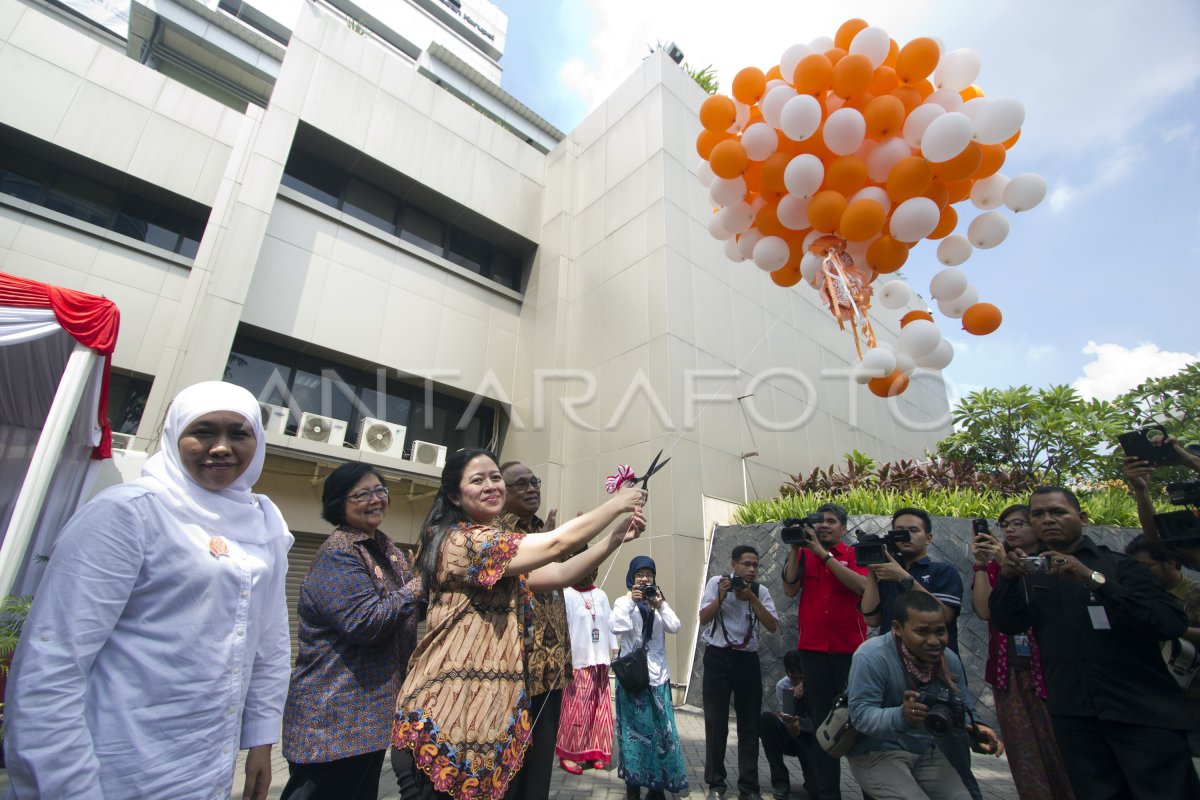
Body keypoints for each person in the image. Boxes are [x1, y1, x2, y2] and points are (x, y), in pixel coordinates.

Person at [3, 381, 293, 800]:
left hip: (204, 767)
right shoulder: (127, 512)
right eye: (204, 431)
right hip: (111, 768)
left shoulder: (264, 524)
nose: (221, 447)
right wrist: (66, 785)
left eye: (239, 433)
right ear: (175, 436)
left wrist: (262, 739)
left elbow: (270, 644)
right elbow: (51, 663)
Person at [390, 448, 646, 800]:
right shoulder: (461, 541)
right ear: (453, 494)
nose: (491, 485)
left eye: (495, 477)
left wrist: (614, 539)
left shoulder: (491, 548)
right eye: (477, 480)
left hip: (478, 719)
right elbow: (557, 544)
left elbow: (556, 573)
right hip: (443, 720)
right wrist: (618, 503)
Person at [989, 486, 1200, 800]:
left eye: (1057, 512)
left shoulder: (1120, 566)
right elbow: (1007, 623)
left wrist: (1092, 579)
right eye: (1038, 514)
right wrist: (1007, 577)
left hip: (1141, 713)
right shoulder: (1030, 575)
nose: (1047, 520)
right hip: (1075, 715)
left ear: (1081, 517)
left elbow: (1169, 622)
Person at [497, 459, 642, 799]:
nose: (532, 488)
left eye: (535, 480)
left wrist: (615, 539)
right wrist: (615, 508)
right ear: (500, 492)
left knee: (537, 779)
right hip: (512, 674)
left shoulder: (541, 531)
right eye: (521, 484)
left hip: (551, 671)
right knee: (509, 777)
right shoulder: (499, 534)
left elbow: (573, 574)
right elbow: (557, 558)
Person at [279, 462, 421, 800]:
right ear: (337, 503)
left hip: (368, 716)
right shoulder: (339, 553)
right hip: (334, 718)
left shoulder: (386, 550)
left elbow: (407, 611)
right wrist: (419, 585)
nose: (375, 500)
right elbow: (366, 623)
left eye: (380, 491)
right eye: (361, 494)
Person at [858, 507, 979, 800]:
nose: (905, 536)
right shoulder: (886, 575)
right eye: (898, 531)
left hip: (936, 676)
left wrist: (903, 577)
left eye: (912, 530)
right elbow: (871, 618)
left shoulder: (941, 572)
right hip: (893, 676)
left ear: (929, 536)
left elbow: (945, 614)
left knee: (953, 761)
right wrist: (875, 570)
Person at [846, 592, 1002, 800]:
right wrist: (901, 716)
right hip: (874, 750)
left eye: (940, 631)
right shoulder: (871, 656)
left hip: (923, 748)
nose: (934, 641)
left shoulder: (948, 660)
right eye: (922, 632)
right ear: (897, 628)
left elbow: (963, 706)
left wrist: (978, 729)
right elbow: (860, 716)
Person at [969, 505, 1075, 800]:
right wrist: (981, 565)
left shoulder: (1054, 564)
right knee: (1025, 756)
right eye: (1004, 524)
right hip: (1008, 675)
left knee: (1064, 755)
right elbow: (983, 610)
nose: (1010, 530)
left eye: (1019, 523)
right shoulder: (992, 567)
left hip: (1053, 674)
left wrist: (1009, 564)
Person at [779, 503, 867, 800]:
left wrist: (824, 556)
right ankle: (827, 793)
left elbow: (863, 587)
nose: (824, 526)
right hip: (813, 652)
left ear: (843, 528)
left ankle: (873, 790)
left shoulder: (853, 555)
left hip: (850, 652)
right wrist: (795, 548)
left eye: (831, 522)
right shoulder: (804, 554)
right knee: (822, 726)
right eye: (820, 521)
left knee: (859, 723)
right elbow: (789, 589)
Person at [698, 545, 780, 800]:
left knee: (750, 724)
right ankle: (716, 784)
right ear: (733, 565)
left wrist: (752, 599)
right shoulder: (716, 583)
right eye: (746, 564)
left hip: (747, 660)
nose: (752, 569)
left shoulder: (759, 591)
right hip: (717, 658)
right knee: (716, 722)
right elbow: (703, 618)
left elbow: (772, 625)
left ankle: (749, 787)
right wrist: (721, 597)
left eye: (756, 565)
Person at [611, 555, 689, 800]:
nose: (644, 578)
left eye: (649, 574)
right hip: (634, 682)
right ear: (632, 578)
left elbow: (675, 626)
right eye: (639, 574)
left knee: (662, 735)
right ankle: (633, 786)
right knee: (634, 737)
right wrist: (632, 604)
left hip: (657, 679)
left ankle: (657, 787)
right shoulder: (623, 602)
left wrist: (661, 605)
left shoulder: (657, 603)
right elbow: (617, 627)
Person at [1124, 533, 1200, 754]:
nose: (1139, 574)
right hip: (1154, 694)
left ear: (1171, 563)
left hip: (1192, 692)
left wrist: (1172, 627)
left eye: (1146, 567)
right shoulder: (1137, 596)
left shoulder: (1193, 594)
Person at [556, 560, 616, 774]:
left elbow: (609, 625)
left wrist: (614, 651)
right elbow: (563, 627)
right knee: (576, 711)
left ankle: (595, 752)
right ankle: (569, 754)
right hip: (578, 661)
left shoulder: (601, 595)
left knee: (600, 711)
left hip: (600, 660)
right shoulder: (567, 594)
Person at [759, 649, 821, 800]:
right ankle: (781, 783)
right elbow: (786, 719)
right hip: (791, 733)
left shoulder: (816, 685)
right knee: (767, 719)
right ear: (787, 672)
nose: (796, 683)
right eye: (793, 678)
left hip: (810, 739)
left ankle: (813, 781)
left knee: (817, 791)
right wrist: (790, 723)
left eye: (800, 678)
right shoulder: (783, 686)